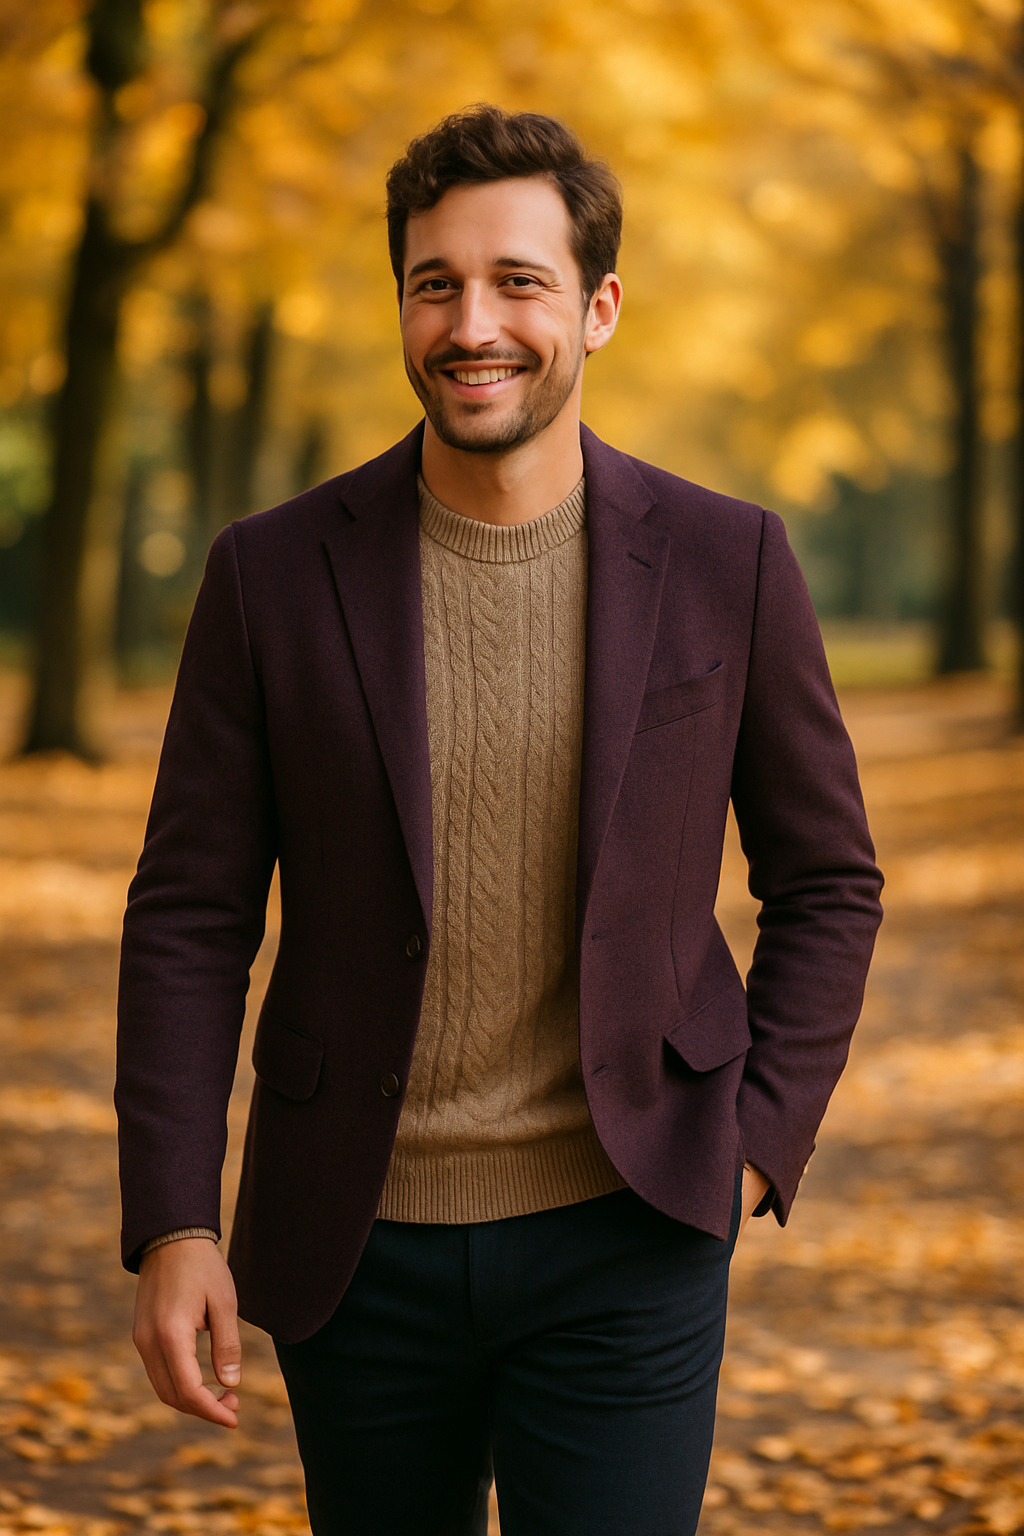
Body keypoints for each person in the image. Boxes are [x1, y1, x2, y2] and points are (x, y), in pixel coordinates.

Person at [117, 105, 883, 1536]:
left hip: (631, 1226)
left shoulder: (732, 563)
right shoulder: (269, 577)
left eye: (519, 282)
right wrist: (174, 1220)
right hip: (358, 1242)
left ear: (596, 308)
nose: (475, 323)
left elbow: (829, 877)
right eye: (436, 283)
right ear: (401, 305)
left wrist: (759, 1143)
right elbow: (189, 916)